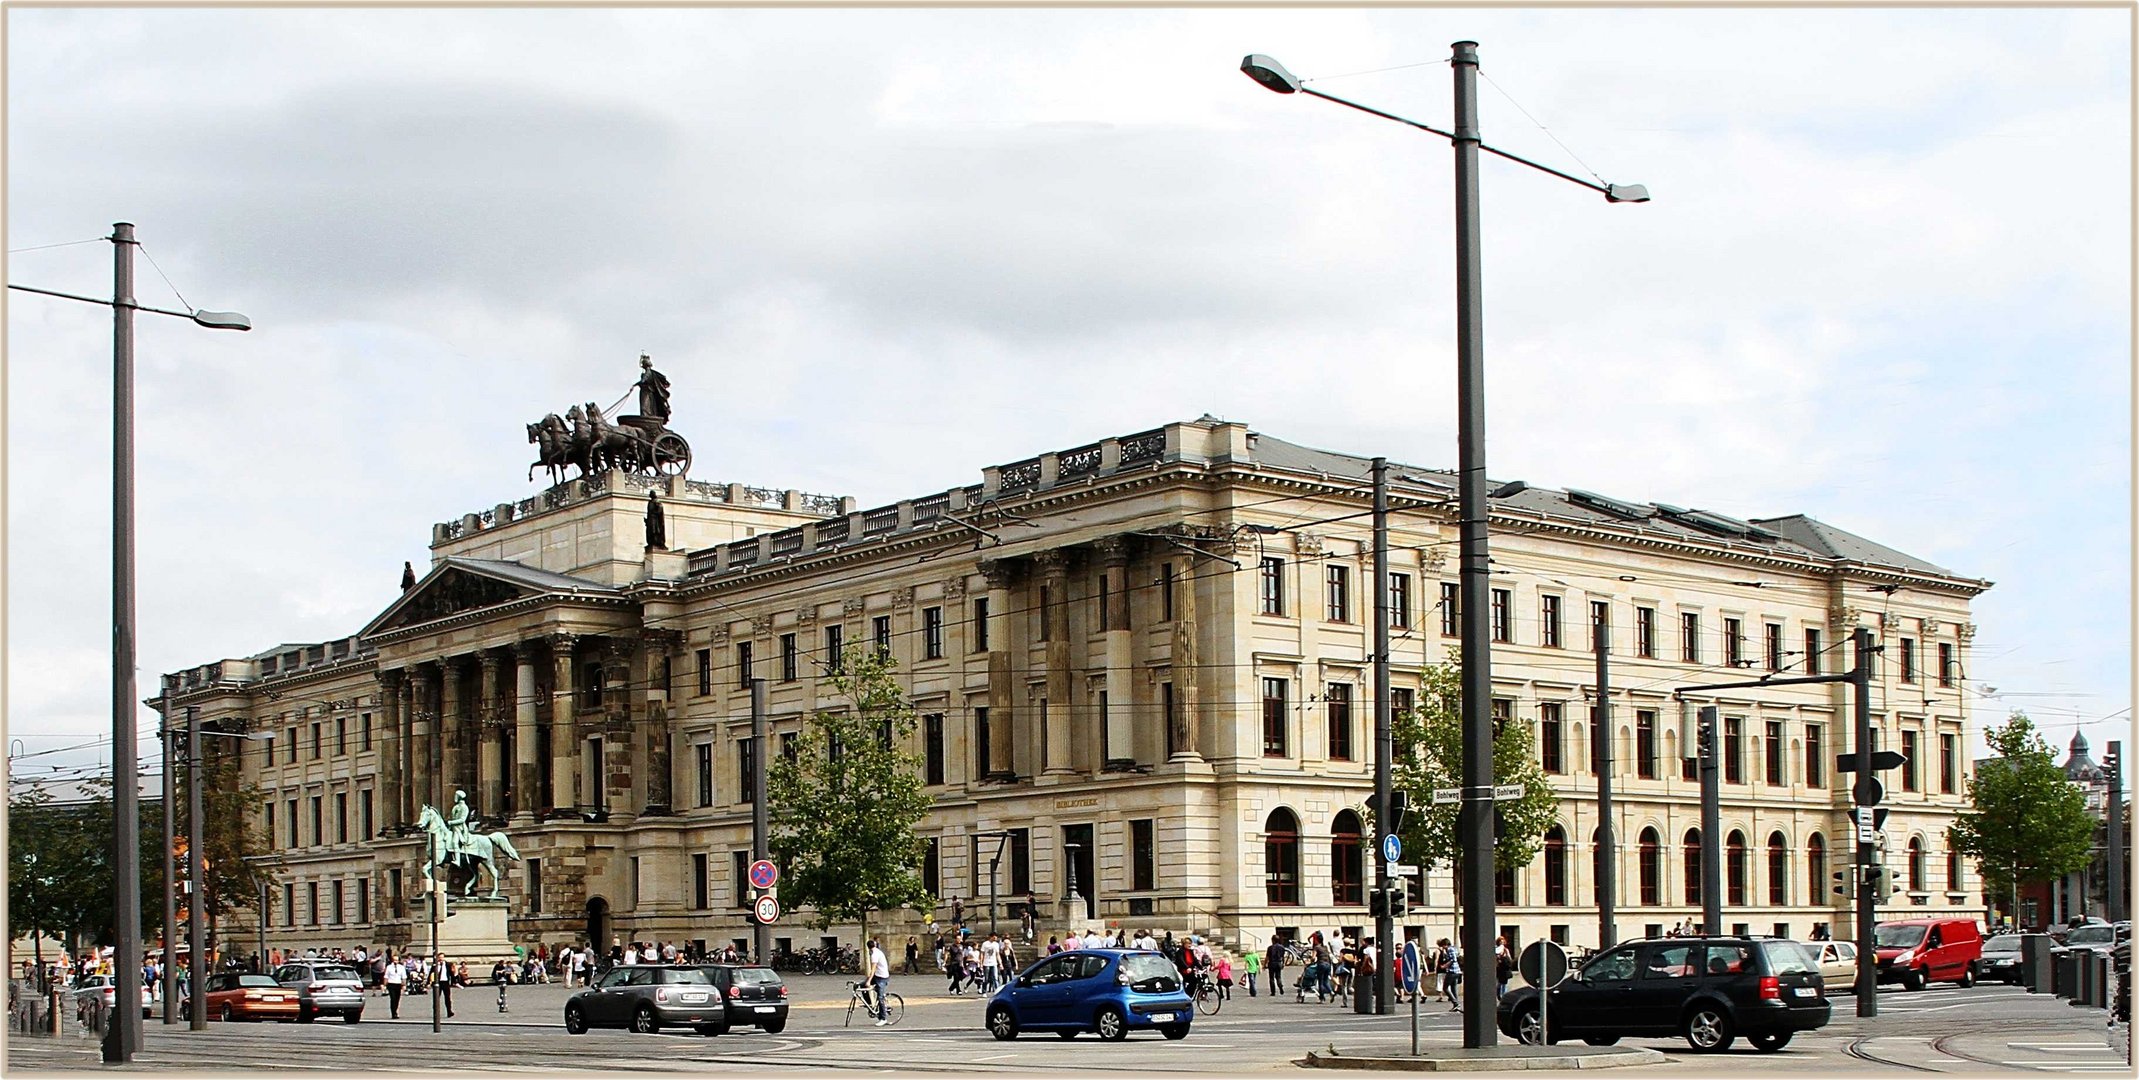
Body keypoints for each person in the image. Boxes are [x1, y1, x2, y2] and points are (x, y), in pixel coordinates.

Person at [635, 354, 672, 421]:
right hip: (646, 391)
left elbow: (643, 380)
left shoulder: (648, 372)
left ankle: (646, 416)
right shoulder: (648, 372)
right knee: (649, 405)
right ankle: (648, 415)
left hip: (647, 392)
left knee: (645, 406)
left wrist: (635, 384)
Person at [867, 939, 892, 1026]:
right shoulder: (877, 951)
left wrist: (869, 980)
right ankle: (870, 1003)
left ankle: (883, 1018)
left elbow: (873, 968)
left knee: (880, 998)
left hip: (882, 977)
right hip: (877, 976)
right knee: (862, 986)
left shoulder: (875, 954)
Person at [1438, 939, 1462, 1011]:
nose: (1443, 947)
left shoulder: (1450, 949)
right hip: (1457, 971)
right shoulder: (1454, 948)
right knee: (1453, 987)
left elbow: (1453, 959)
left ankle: (1455, 1003)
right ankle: (1456, 1004)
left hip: (1452, 971)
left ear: (1445, 944)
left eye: (1443, 945)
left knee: (1445, 988)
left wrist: (1445, 966)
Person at [434, 953, 455, 1018]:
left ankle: (449, 1011)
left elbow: (452, 974)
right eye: (439, 957)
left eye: (442, 957)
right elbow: (431, 973)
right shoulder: (435, 965)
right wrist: (429, 983)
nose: (440, 959)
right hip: (438, 983)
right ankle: (436, 1013)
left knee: (447, 998)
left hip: (445, 982)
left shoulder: (448, 964)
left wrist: (454, 982)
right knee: (436, 998)